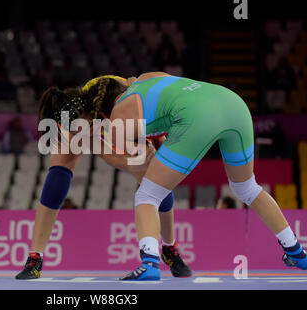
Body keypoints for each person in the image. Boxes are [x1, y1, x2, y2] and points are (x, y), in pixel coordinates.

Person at [36, 72, 307, 281]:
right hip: (234, 105)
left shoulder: (117, 116)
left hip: (197, 117)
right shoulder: (145, 78)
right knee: (247, 188)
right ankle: (296, 252)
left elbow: (119, 157)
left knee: (147, 194)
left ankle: (150, 264)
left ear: (100, 109)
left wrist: (122, 148)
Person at [15, 75, 192, 280]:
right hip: (97, 122)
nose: (77, 136)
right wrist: (128, 158)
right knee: (57, 179)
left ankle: (170, 249)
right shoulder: (74, 117)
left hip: (126, 119)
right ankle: (35, 258)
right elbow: (109, 157)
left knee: (156, 180)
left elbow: (125, 148)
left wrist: (149, 157)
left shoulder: (122, 101)